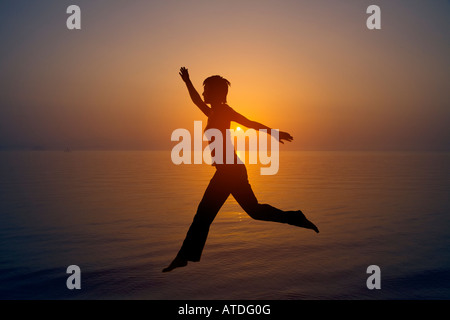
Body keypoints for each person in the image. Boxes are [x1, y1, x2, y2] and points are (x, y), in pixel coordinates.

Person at [162, 67, 319, 272]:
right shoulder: (212, 112)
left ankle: (184, 257)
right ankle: (295, 217)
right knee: (253, 211)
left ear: (216, 93)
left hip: (229, 171)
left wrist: (273, 133)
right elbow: (196, 100)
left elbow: (249, 123)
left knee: (203, 215)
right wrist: (187, 82)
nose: (203, 93)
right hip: (230, 170)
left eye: (206, 89)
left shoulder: (224, 111)